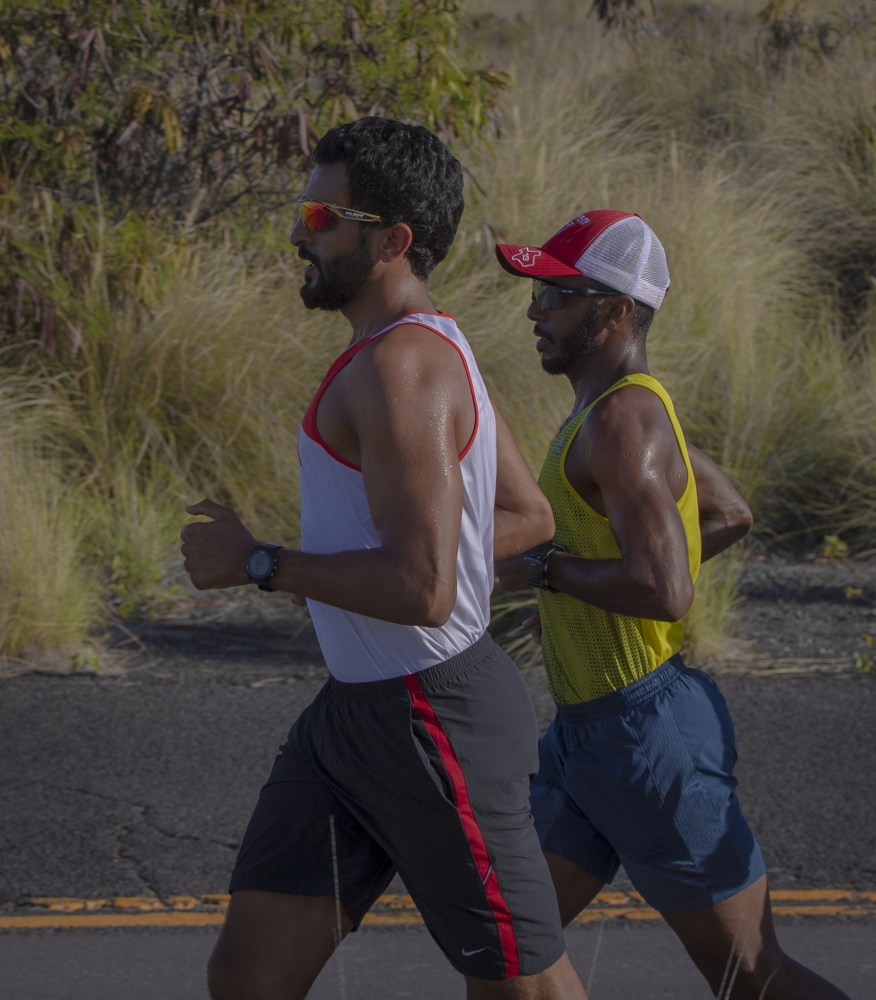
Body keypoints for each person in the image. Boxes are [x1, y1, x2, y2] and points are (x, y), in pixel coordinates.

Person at [180, 119, 587, 1000]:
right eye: (305, 207)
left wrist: (259, 565)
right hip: (355, 719)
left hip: (429, 716)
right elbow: (523, 515)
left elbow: (422, 587)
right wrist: (356, 567)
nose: (299, 230)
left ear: (392, 240)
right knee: (248, 976)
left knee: (523, 989)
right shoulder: (416, 349)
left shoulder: (405, 365)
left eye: (322, 213)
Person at [494, 211, 853, 999]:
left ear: (615, 310)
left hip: (644, 739)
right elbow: (727, 513)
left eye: (556, 294)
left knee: (750, 975)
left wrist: (554, 575)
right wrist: (575, 594)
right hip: (587, 739)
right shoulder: (622, 409)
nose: (533, 312)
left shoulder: (625, 420)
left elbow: (664, 590)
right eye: (535, 292)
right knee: (506, 948)